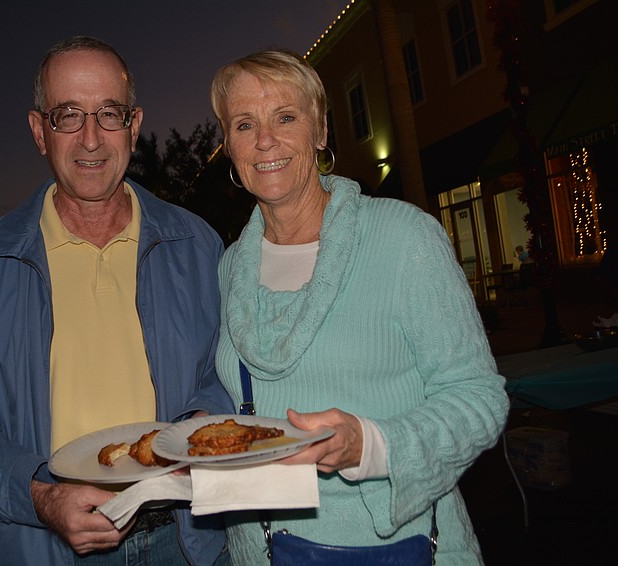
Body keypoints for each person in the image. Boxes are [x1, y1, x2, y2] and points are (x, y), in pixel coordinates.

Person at [0, 36, 233, 565]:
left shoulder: (198, 248)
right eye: (68, 115)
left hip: (185, 539)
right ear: (39, 131)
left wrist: (198, 431)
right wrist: (39, 495)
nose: (91, 138)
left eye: (109, 113)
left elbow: (232, 368)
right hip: (44, 543)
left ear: (135, 124)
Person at [208, 49, 509, 564]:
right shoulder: (231, 264)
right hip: (259, 547)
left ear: (320, 130)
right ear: (229, 146)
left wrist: (370, 445)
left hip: (394, 544)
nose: (264, 141)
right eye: (243, 124)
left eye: (286, 116)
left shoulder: (402, 237)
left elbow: (479, 397)